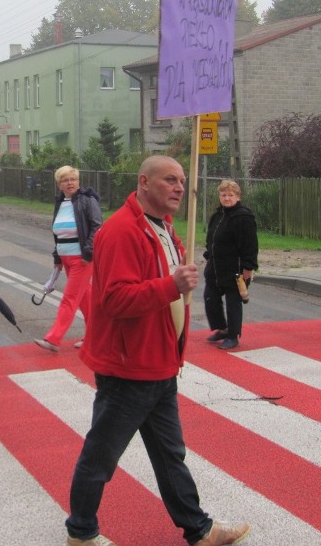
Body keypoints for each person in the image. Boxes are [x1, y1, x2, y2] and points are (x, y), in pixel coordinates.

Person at [65, 156, 250, 546]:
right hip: (129, 368)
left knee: (170, 455)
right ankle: (81, 533)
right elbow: (114, 300)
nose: (180, 188)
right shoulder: (120, 231)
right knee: (101, 457)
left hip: (159, 365)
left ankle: (198, 529)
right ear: (144, 182)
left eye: (182, 181)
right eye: (170, 180)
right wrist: (171, 285)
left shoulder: (163, 227)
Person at [34, 166, 102, 352]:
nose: (70, 182)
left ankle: (54, 339)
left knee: (69, 298)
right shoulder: (61, 202)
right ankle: (94, 337)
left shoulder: (87, 200)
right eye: (65, 180)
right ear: (59, 185)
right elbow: (59, 234)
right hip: (66, 258)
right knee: (84, 298)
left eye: (73, 179)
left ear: (78, 181)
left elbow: (97, 227)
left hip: (82, 259)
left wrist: (88, 253)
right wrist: (57, 258)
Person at [202, 180, 258, 351]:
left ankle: (233, 336)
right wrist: (208, 255)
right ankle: (223, 328)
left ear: (238, 197)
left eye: (230, 195)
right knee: (210, 297)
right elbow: (211, 239)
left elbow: (250, 245)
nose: (227, 198)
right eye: (223, 195)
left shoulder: (243, 217)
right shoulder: (217, 215)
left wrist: (248, 267)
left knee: (233, 303)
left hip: (235, 268)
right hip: (215, 267)